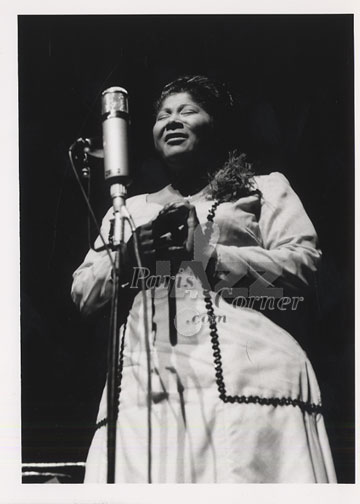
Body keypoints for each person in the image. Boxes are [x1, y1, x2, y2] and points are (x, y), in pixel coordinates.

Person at [71, 75, 337, 483]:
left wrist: (209, 255)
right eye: (163, 115)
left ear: (217, 125)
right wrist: (125, 259)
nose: (172, 121)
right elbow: (84, 294)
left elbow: (304, 269)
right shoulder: (128, 211)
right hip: (146, 385)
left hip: (250, 381)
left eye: (187, 111)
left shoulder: (262, 189)